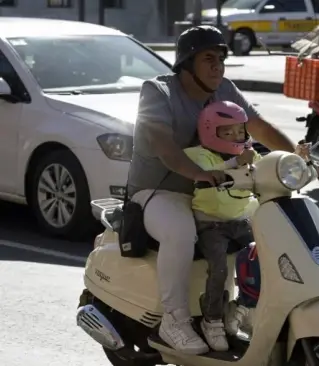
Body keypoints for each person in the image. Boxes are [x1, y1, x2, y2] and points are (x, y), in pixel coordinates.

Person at [126, 25, 305, 355]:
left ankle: (238, 309)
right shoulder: (157, 92)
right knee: (180, 231)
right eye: (208, 58)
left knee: (267, 228)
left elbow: (259, 127)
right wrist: (200, 173)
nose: (218, 66)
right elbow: (164, 146)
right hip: (161, 191)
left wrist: (296, 158)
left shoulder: (224, 88)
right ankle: (174, 320)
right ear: (186, 64)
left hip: (216, 193)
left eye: (221, 58)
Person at [183, 100, 262, 352]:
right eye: (227, 132)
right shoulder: (197, 154)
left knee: (267, 256)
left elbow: (266, 169)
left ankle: (242, 308)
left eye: (239, 131)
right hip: (210, 224)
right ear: (209, 131)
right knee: (218, 268)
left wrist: (295, 160)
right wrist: (233, 165)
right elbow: (206, 171)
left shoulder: (246, 153)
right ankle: (212, 320)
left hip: (240, 221)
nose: (236, 136)